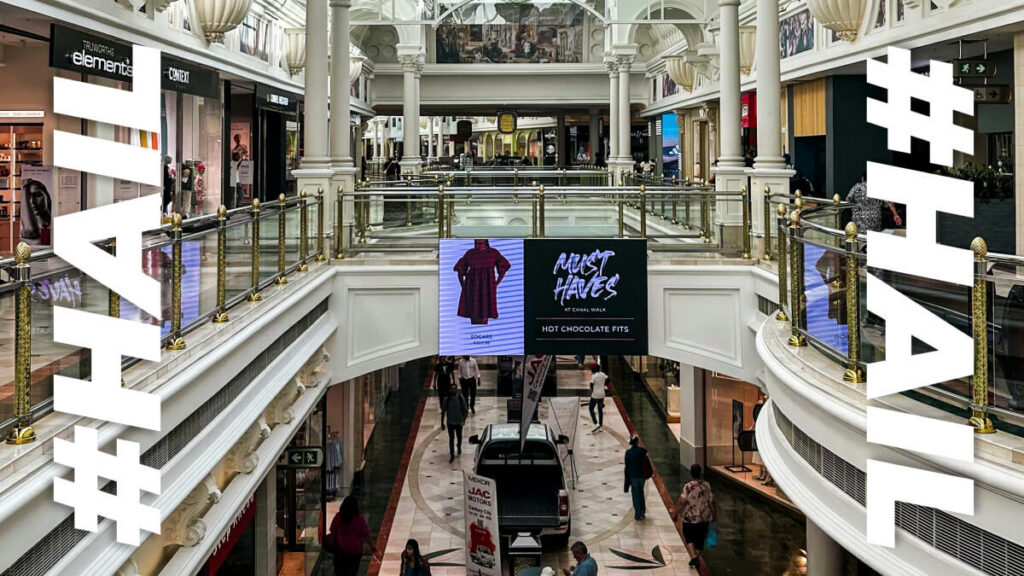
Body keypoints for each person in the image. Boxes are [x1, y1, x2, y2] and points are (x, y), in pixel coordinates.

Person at [674, 464, 716, 568]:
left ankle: (693, 556)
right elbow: (711, 501)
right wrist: (715, 515)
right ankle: (696, 557)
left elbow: (682, 501)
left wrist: (676, 513)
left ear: (691, 473)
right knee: (700, 539)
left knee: (689, 536)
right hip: (704, 517)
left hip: (691, 517)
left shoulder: (688, 486)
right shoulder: (707, 485)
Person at [329, 496, 378, 576]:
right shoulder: (359, 519)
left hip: (341, 551)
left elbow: (333, 532)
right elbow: (365, 534)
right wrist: (371, 545)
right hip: (355, 551)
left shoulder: (338, 517)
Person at [623, 435, 647, 521]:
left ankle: (637, 513)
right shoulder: (641, 451)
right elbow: (645, 451)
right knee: (641, 493)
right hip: (641, 476)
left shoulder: (628, 453)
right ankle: (642, 511)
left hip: (633, 477)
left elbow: (627, 465)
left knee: (635, 495)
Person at [443, 382, 469, 463]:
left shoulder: (460, 398)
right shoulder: (446, 399)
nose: (453, 390)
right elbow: (443, 411)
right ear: (449, 390)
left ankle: (459, 446)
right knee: (451, 438)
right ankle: (452, 454)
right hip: (450, 422)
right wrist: (442, 423)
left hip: (458, 422)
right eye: (452, 389)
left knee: (459, 436)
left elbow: (465, 411)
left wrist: (463, 421)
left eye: (455, 388)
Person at [434, 356, 455, 430]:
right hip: (440, 384)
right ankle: (442, 408)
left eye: (444, 357)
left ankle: (448, 407)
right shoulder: (438, 365)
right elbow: (436, 374)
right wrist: (434, 383)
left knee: (448, 397)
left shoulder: (449, 364)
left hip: (447, 383)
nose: (443, 358)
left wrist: (453, 381)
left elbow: (452, 373)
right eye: (441, 357)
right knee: (441, 398)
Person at [588, 364, 608, 430]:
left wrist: (592, 390)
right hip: (602, 394)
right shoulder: (603, 374)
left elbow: (591, 385)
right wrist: (603, 384)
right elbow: (608, 380)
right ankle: (601, 424)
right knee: (600, 410)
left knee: (591, 408)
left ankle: (596, 423)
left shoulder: (593, 376)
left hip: (595, 395)